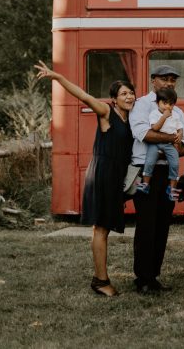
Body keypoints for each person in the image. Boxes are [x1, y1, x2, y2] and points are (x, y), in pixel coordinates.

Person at [34, 61, 135, 297]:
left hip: (115, 176)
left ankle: (100, 278)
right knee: (100, 228)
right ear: (114, 98)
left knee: (105, 228)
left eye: (131, 93)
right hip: (102, 174)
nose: (129, 96)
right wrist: (58, 77)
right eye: (123, 93)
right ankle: (101, 281)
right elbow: (83, 96)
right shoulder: (106, 112)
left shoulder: (129, 119)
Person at [129, 65, 184, 294]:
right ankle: (142, 278)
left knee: (162, 224)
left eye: (172, 80)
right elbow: (143, 134)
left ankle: (154, 276)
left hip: (168, 172)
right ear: (152, 80)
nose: (168, 83)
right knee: (146, 223)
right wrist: (171, 141)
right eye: (164, 79)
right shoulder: (141, 105)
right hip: (145, 170)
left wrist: (176, 147)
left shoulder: (178, 111)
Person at [138, 87, 181, 200]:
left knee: (175, 164)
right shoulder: (154, 114)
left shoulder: (176, 115)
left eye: (171, 104)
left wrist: (179, 135)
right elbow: (155, 128)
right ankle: (145, 184)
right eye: (165, 103)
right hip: (155, 144)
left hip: (169, 144)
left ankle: (172, 188)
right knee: (150, 162)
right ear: (158, 103)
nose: (168, 106)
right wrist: (164, 117)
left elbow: (180, 128)